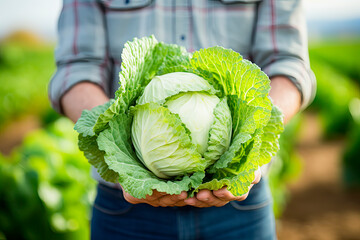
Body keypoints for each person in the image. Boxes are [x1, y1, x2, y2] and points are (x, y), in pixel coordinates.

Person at [49, 0, 316, 239]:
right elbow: (76, 69)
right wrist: (127, 168)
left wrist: (251, 151)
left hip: (238, 204)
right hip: (125, 208)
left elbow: (288, 63)